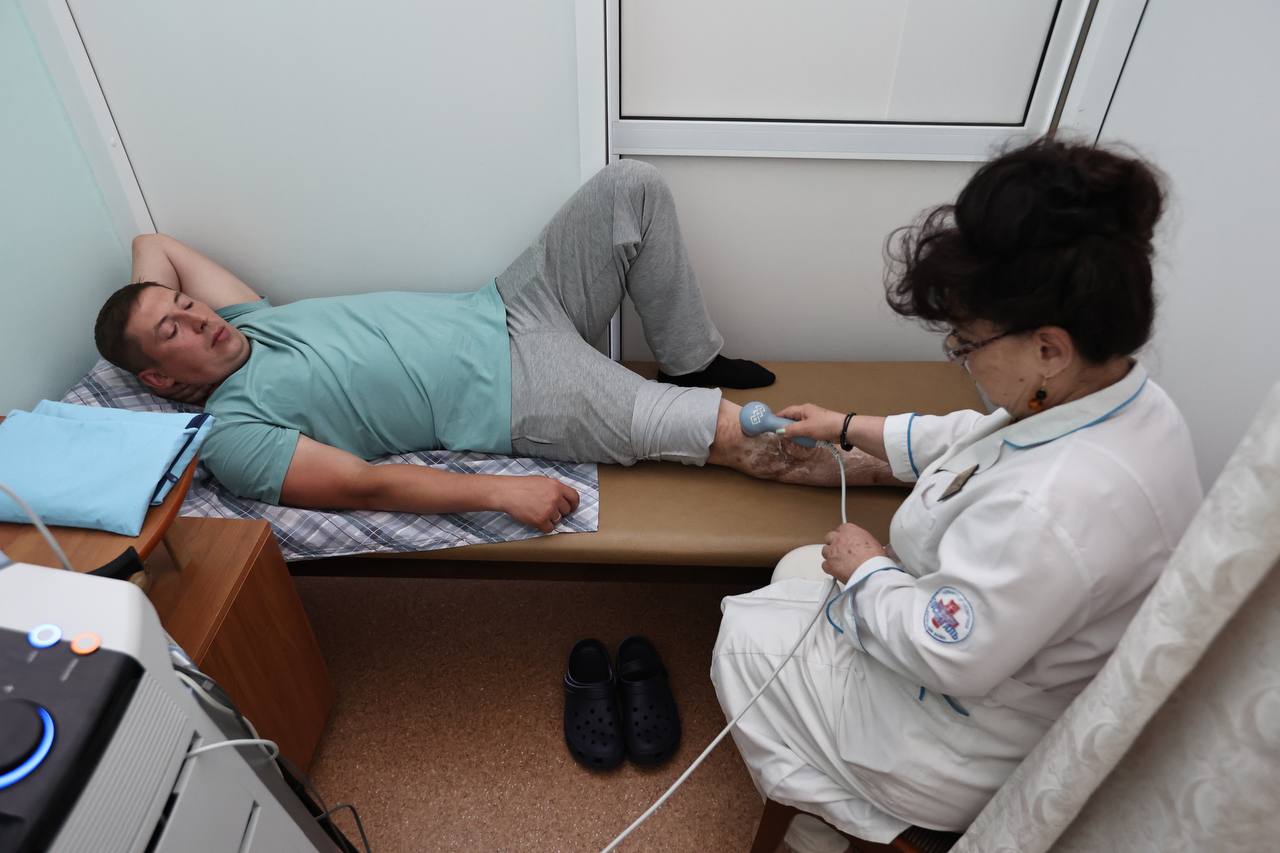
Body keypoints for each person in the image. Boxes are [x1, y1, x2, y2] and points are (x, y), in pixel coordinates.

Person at [710, 139, 1204, 853]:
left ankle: (820, 828)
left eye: (966, 342)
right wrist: (849, 426)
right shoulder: (1119, 395)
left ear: (1049, 349)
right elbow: (981, 438)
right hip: (1007, 663)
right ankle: (820, 792)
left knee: (741, 637)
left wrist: (867, 567)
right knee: (794, 573)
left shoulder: (1056, 507)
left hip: (955, 742)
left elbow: (949, 655)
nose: (958, 357)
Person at [92, 161, 834, 530]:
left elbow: (153, 243)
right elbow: (361, 485)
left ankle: (690, 358)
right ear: (157, 379)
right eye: (174, 331)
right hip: (521, 390)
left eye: (187, 305)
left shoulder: (245, 323)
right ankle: (888, 455)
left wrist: (151, 318)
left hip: (511, 301)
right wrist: (501, 491)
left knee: (629, 187)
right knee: (733, 433)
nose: (199, 319)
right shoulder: (233, 432)